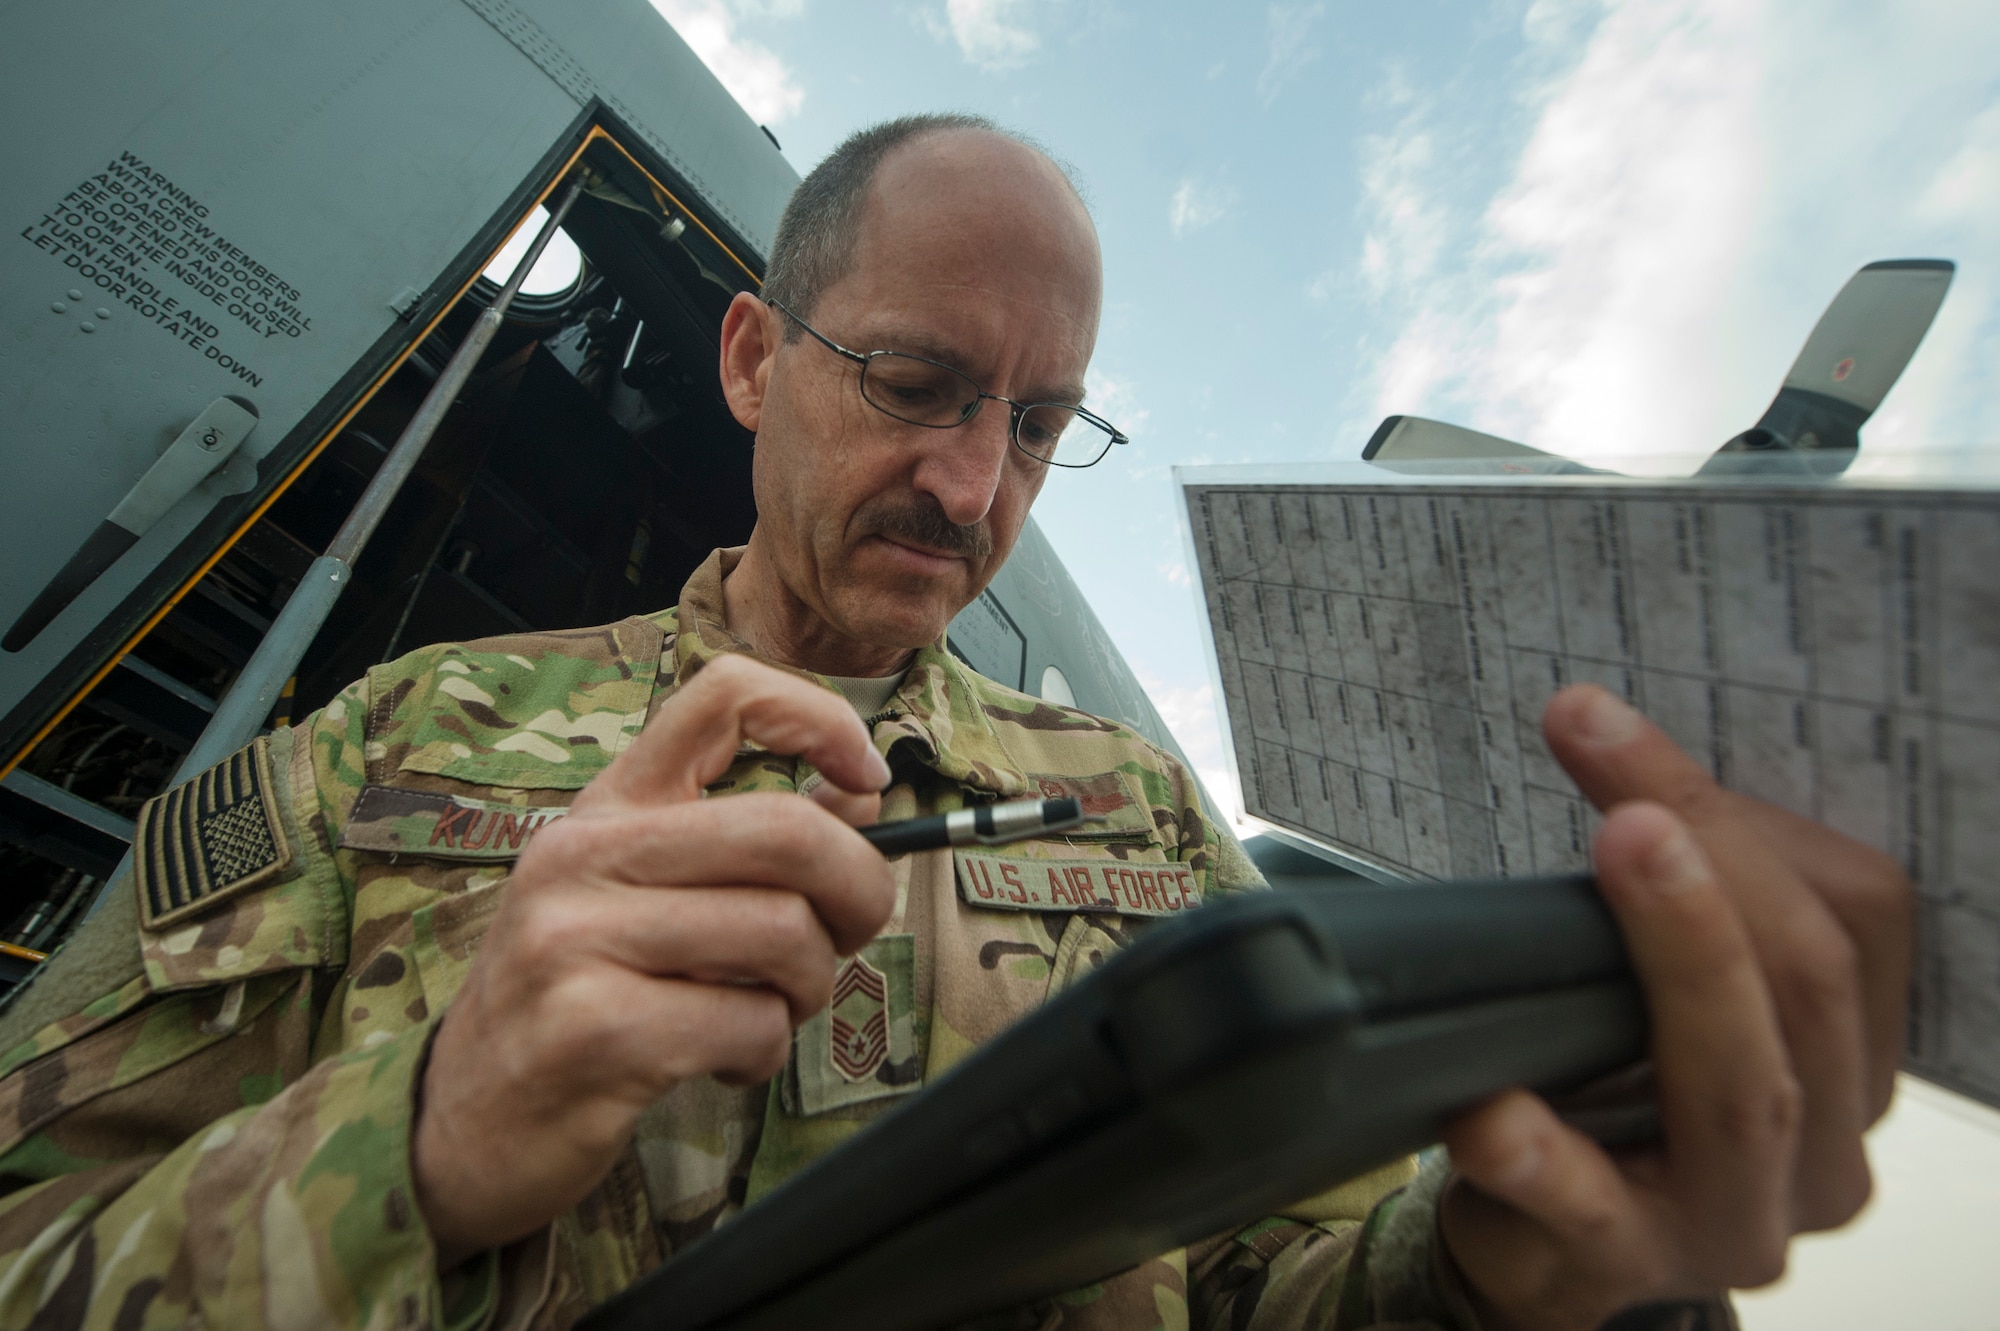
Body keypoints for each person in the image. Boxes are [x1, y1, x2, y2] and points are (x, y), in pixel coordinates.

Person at [0, 113, 1909, 1331]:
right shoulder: (388, 744)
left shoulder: (1145, 822)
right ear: (754, 361)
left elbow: (1291, 1289)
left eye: (1038, 424)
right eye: (914, 381)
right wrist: (421, 1136)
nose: (972, 482)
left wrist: (1507, 1268)